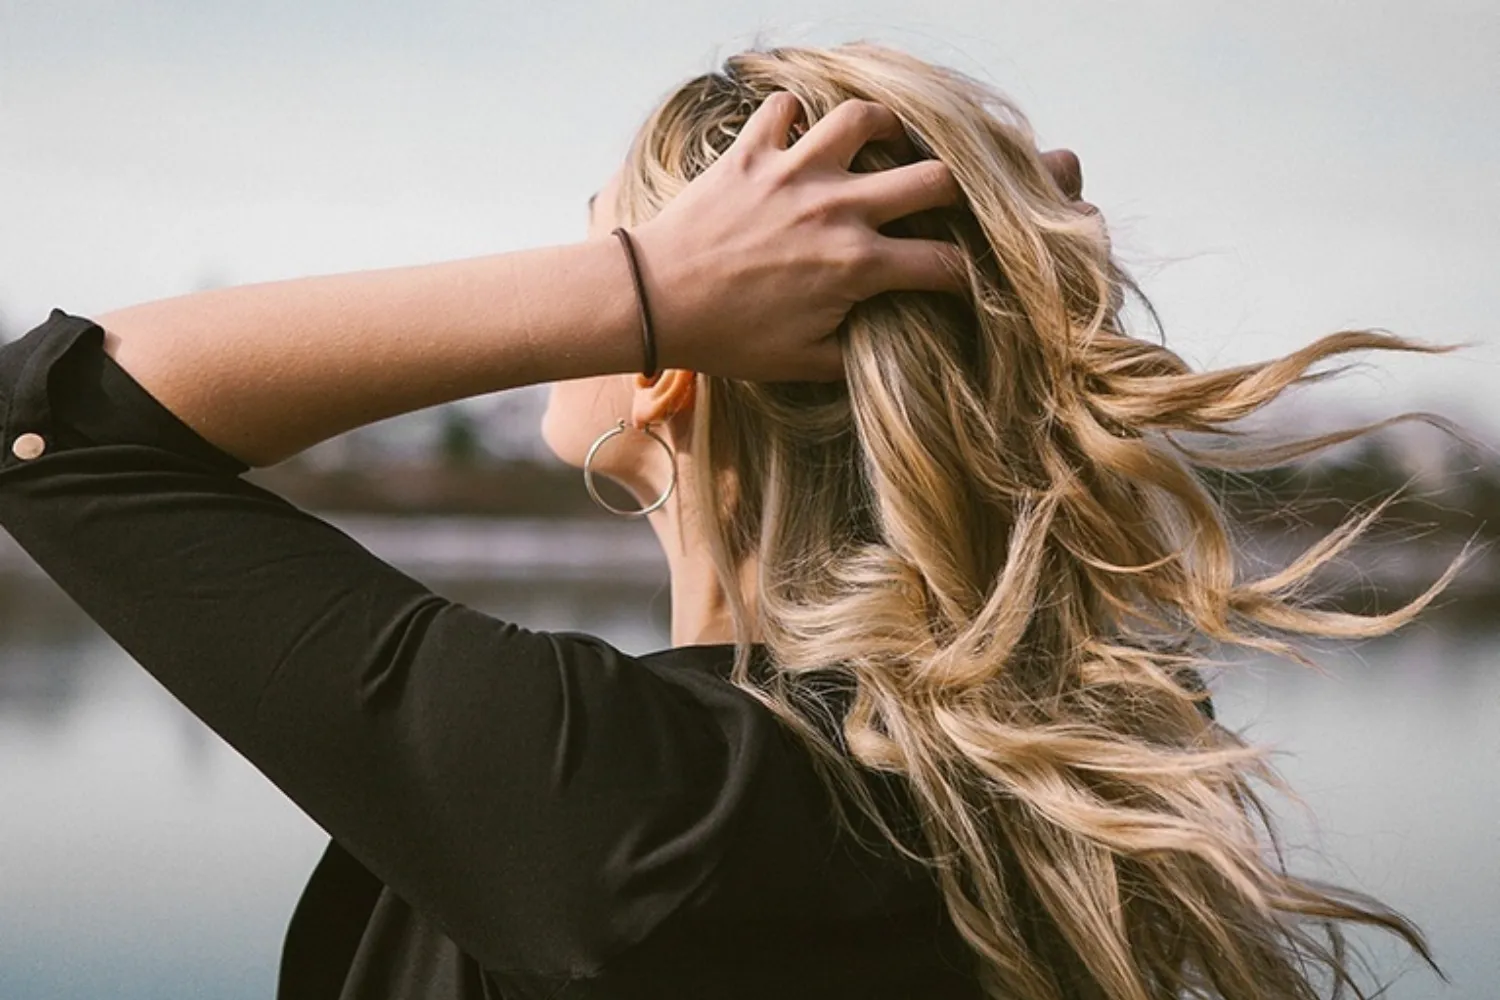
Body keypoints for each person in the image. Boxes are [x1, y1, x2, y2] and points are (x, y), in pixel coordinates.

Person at [0, 40, 1464, 1000]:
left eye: (619, 244)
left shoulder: (624, 793)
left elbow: (46, 421)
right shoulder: (1088, 759)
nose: (592, 272)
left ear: (672, 357)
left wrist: (635, 286)